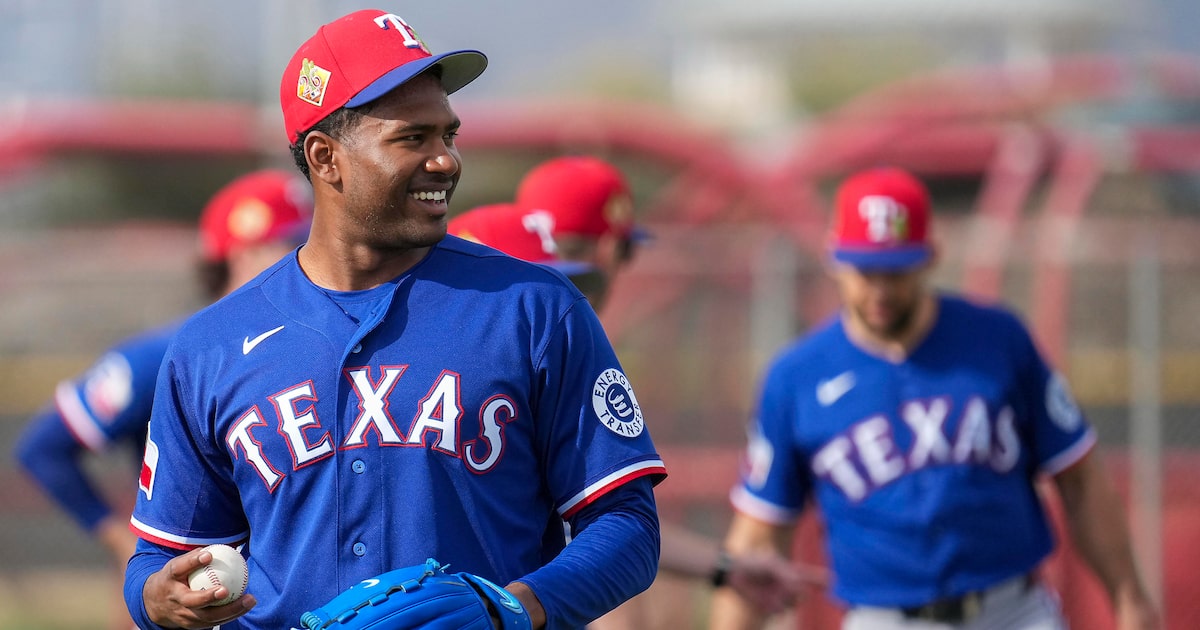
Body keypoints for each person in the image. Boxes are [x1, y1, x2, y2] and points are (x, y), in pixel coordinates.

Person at [123, 10, 665, 630]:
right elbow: (159, 559)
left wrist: (516, 608)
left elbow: (627, 525)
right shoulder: (209, 346)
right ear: (327, 157)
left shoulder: (534, 306)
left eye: (449, 136)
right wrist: (156, 599)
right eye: (413, 139)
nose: (444, 161)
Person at [708, 166, 1161, 630]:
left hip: (1013, 611)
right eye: (866, 271)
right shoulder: (797, 377)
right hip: (884, 618)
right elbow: (757, 538)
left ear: (930, 257)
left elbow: (1079, 478)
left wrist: (1130, 597)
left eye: (896, 270)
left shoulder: (998, 340)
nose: (881, 289)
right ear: (833, 259)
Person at [449, 157, 826, 624]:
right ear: (607, 247)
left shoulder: (511, 297)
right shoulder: (536, 320)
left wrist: (722, 566)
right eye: (623, 251)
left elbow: (611, 516)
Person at [13, 168, 312, 629]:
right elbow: (44, 449)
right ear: (241, 253)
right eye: (287, 241)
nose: (305, 255)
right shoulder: (169, 355)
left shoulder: (321, 351)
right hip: (190, 590)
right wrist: (118, 539)